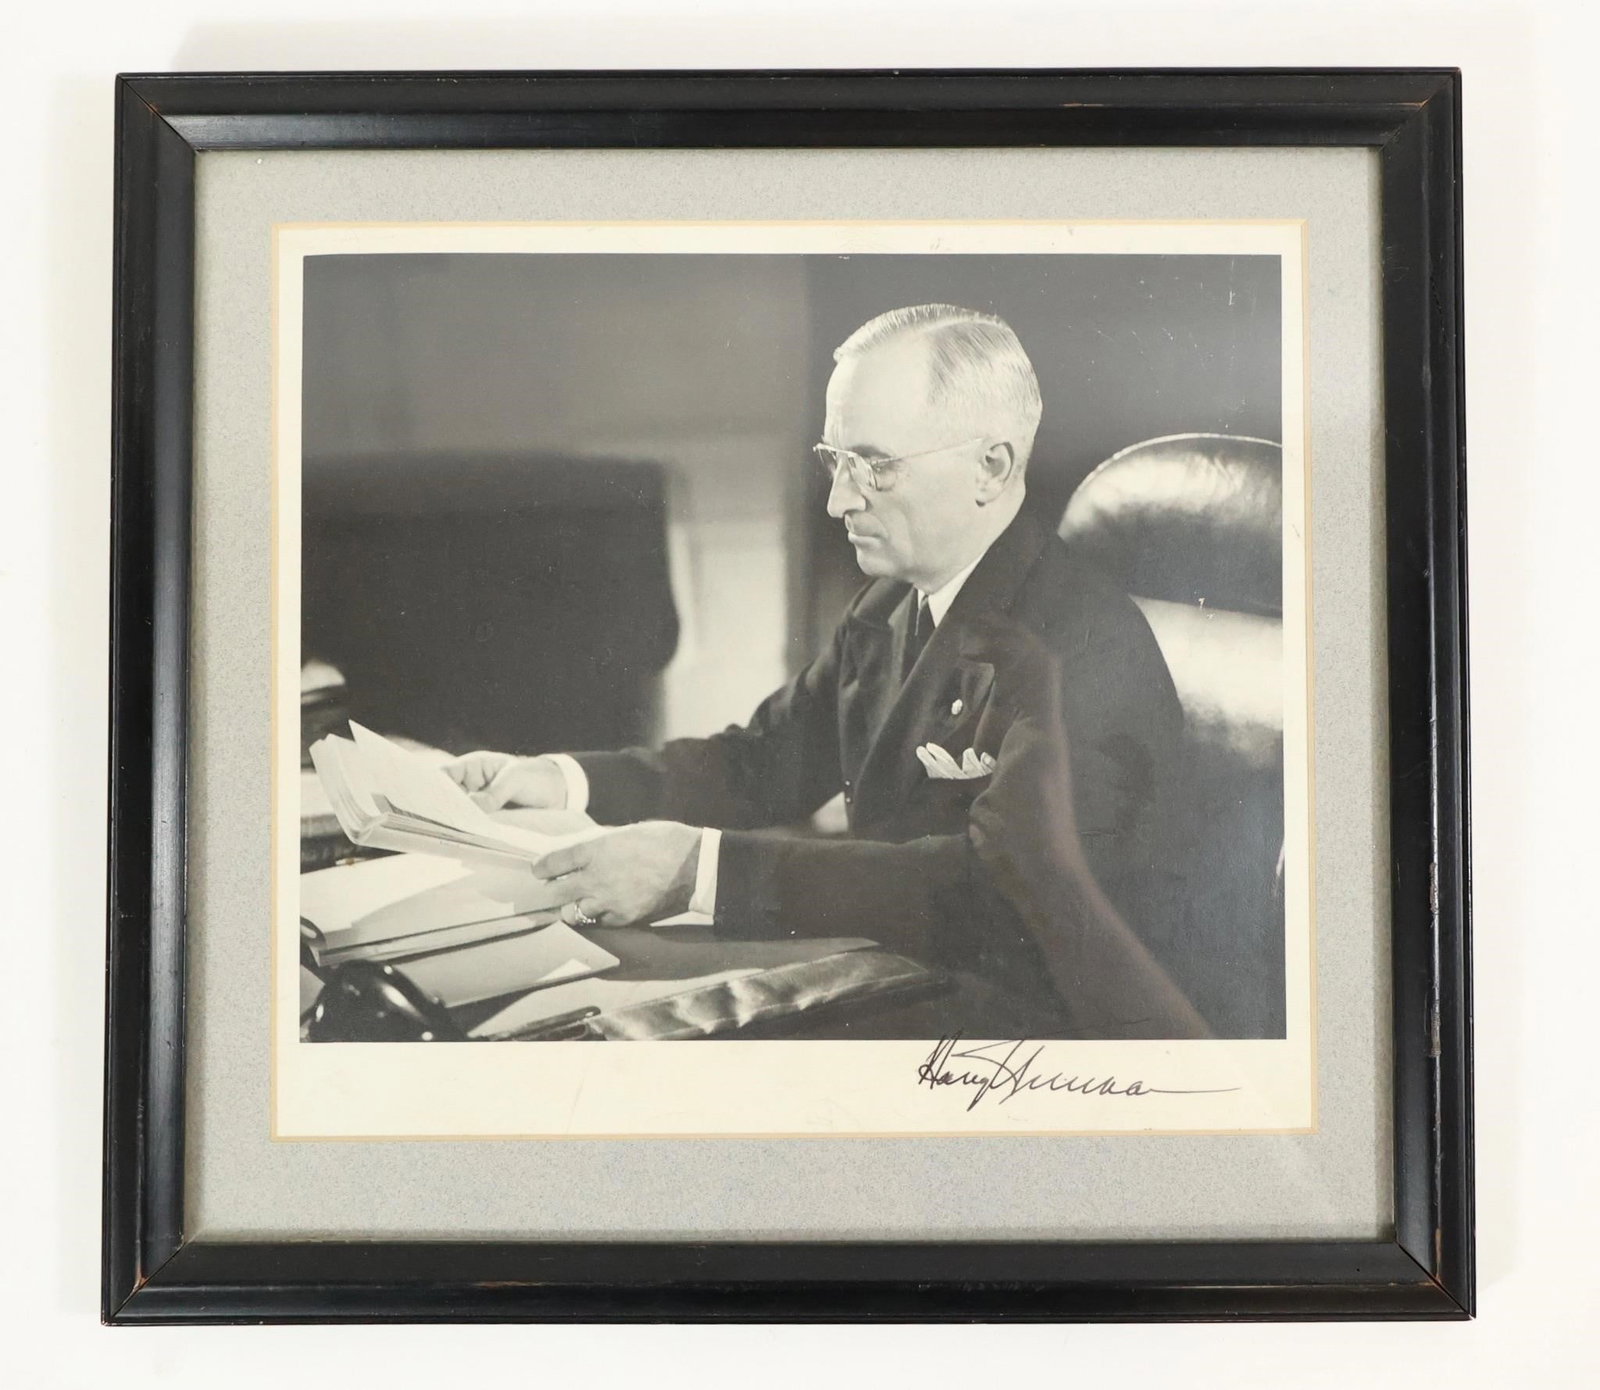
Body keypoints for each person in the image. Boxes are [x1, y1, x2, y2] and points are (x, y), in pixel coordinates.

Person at [445, 304, 1207, 1038]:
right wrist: (560, 780)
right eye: (836, 461)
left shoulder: (1084, 646)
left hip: (1032, 1027)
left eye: (874, 465)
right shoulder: (886, 607)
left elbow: (1004, 896)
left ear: (991, 466)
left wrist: (697, 872)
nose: (841, 498)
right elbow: (764, 761)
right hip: (893, 965)